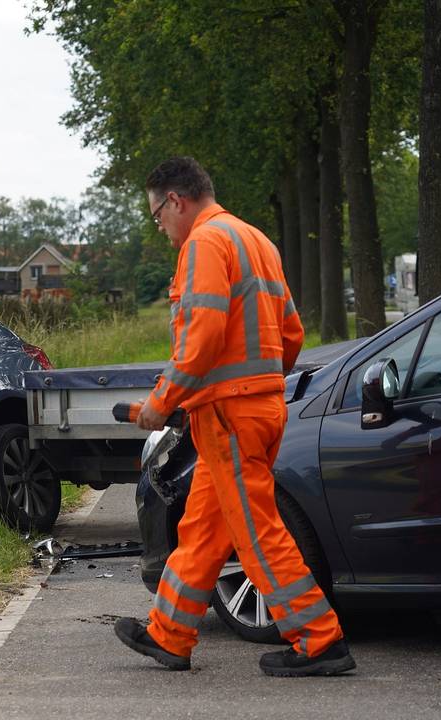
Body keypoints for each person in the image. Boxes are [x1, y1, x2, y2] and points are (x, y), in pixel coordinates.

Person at [113, 157, 356, 677]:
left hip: (229, 417)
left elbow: (201, 335)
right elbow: (291, 334)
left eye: (157, 215)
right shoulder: (256, 240)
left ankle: (319, 639)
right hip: (257, 409)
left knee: (257, 533)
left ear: (176, 200)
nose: (161, 227)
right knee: (203, 528)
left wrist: (162, 401)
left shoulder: (204, 243)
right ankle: (169, 634)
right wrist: (256, 382)